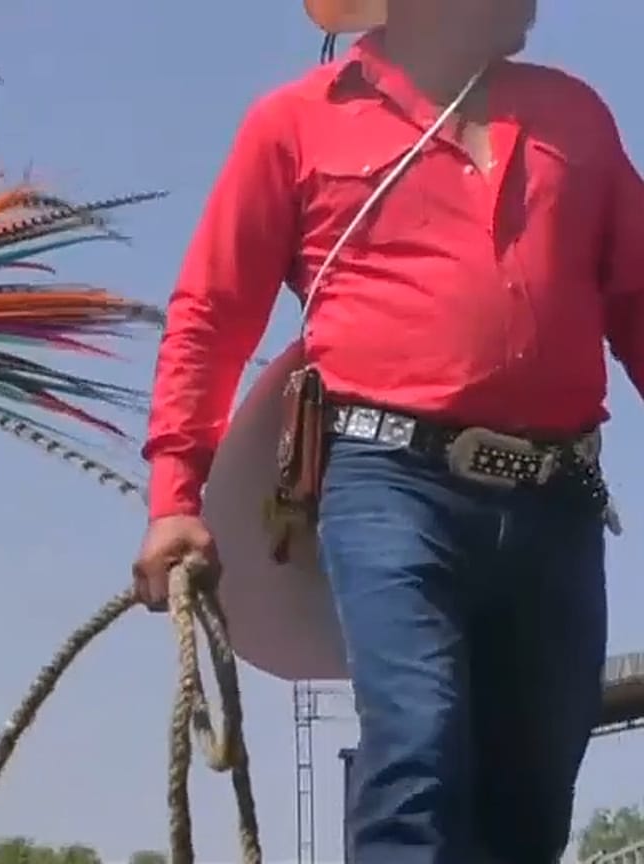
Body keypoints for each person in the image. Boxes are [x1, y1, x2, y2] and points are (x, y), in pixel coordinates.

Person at [134, 0, 642, 862]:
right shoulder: (294, 125)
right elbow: (211, 317)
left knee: (532, 797)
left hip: (558, 497)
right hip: (387, 481)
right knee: (416, 748)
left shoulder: (577, 116)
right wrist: (174, 497)